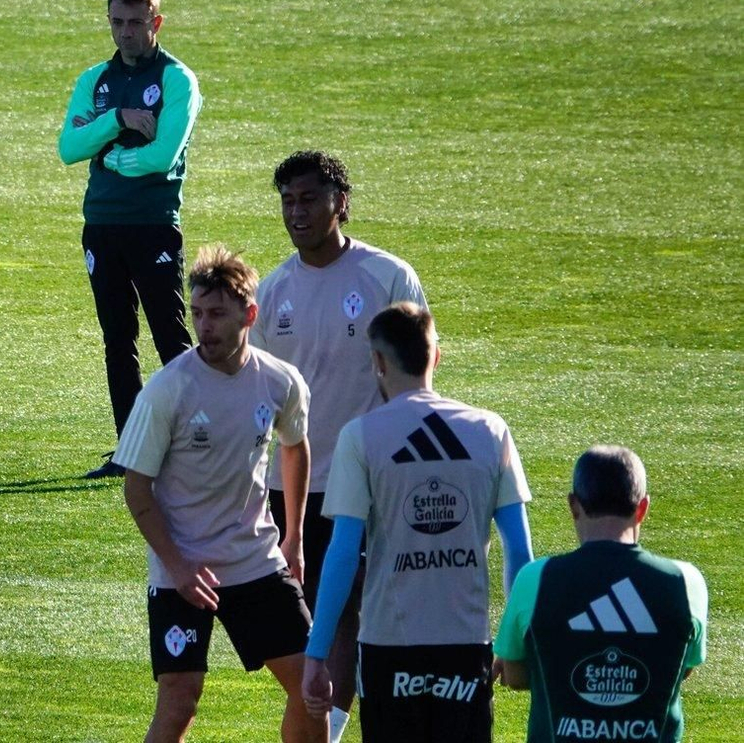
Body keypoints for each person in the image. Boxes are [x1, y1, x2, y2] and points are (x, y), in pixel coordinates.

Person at [250, 149, 428, 743]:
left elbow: (417, 380)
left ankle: (333, 730)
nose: (296, 212)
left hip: (369, 481)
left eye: (309, 199)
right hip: (292, 488)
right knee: (310, 629)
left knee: (350, 618)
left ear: (340, 203)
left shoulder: (387, 278)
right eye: (288, 201)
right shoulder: (273, 292)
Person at [114, 244, 323, 743]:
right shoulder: (169, 390)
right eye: (198, 313)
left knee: (314, 687)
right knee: (179, 701)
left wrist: (293, 537)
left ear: (249, 314)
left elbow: (295, 448)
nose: (204, 326)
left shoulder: (279, 381)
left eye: (216, 314)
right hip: (182, 567)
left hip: (255, 559)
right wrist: (178, 566)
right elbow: (136, 490)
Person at [301, 303, 533, 742]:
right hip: (465, 644)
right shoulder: (490, 430)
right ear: (436, 358)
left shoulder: (361, 437)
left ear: (378, 362)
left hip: (389, 645)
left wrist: (317, 653)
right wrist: (514, 640)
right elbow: (518, 550)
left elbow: (344, 552)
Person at [58, 0, 201, 479]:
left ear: (156, 23)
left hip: (154, 225)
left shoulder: (178, 80)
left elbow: (164, 156)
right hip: (101, 225)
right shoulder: (95, 81)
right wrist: (118, 118)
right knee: (117, 339)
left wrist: (114, 158)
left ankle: (189, 446)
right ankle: (129, 450)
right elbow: (69, 149)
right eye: (117, 22)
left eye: (136, 23)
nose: (125, 33)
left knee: (171, 336)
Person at [494, 446, 708, 742]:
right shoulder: (687, 582)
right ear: (643, 508)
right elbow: (680, 669)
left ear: (573, 505)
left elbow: (516, 675)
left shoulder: (535, 579)